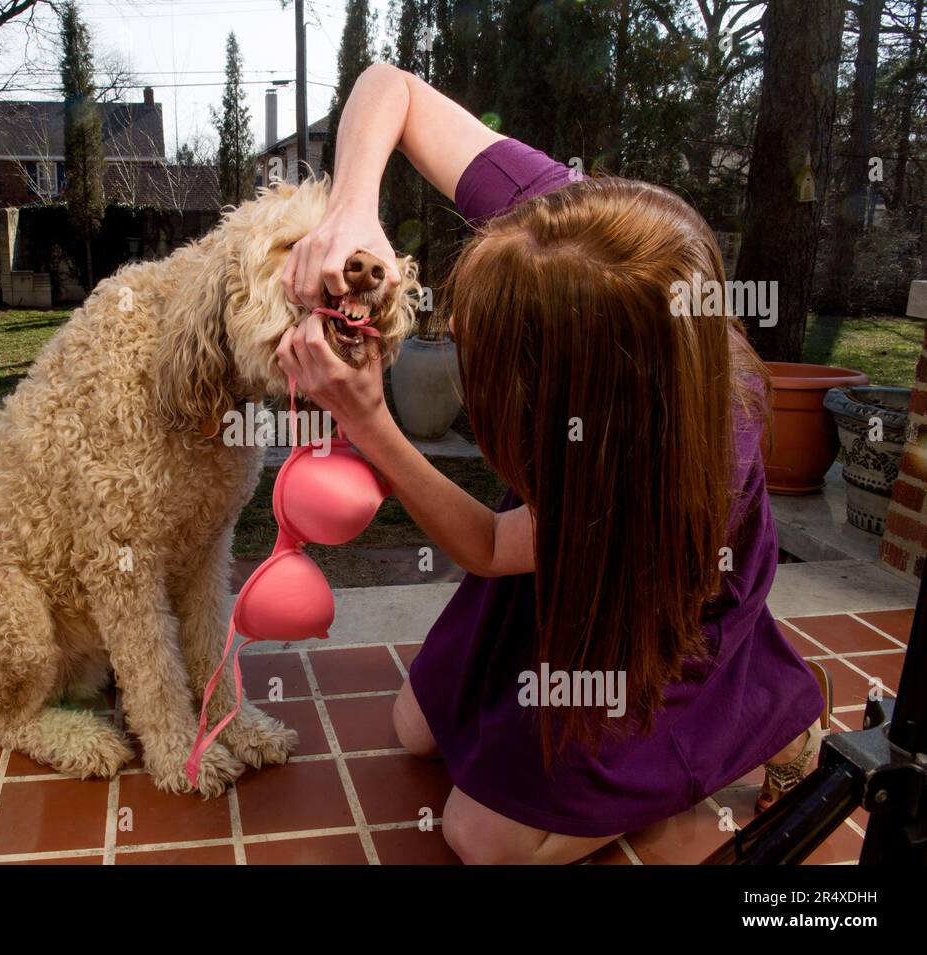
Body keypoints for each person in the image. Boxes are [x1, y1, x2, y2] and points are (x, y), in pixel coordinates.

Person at [276, 63, 829, 865]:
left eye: (488, 347)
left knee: (482, 838)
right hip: (569, 542)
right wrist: (352, 209)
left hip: (657, 614)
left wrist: (367, 419)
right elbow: (389, 85)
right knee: (415, 730)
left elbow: (499, 546)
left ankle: (755, 708)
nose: (458, 324)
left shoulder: (670, 467)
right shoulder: (573, 242)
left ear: (583, 394)